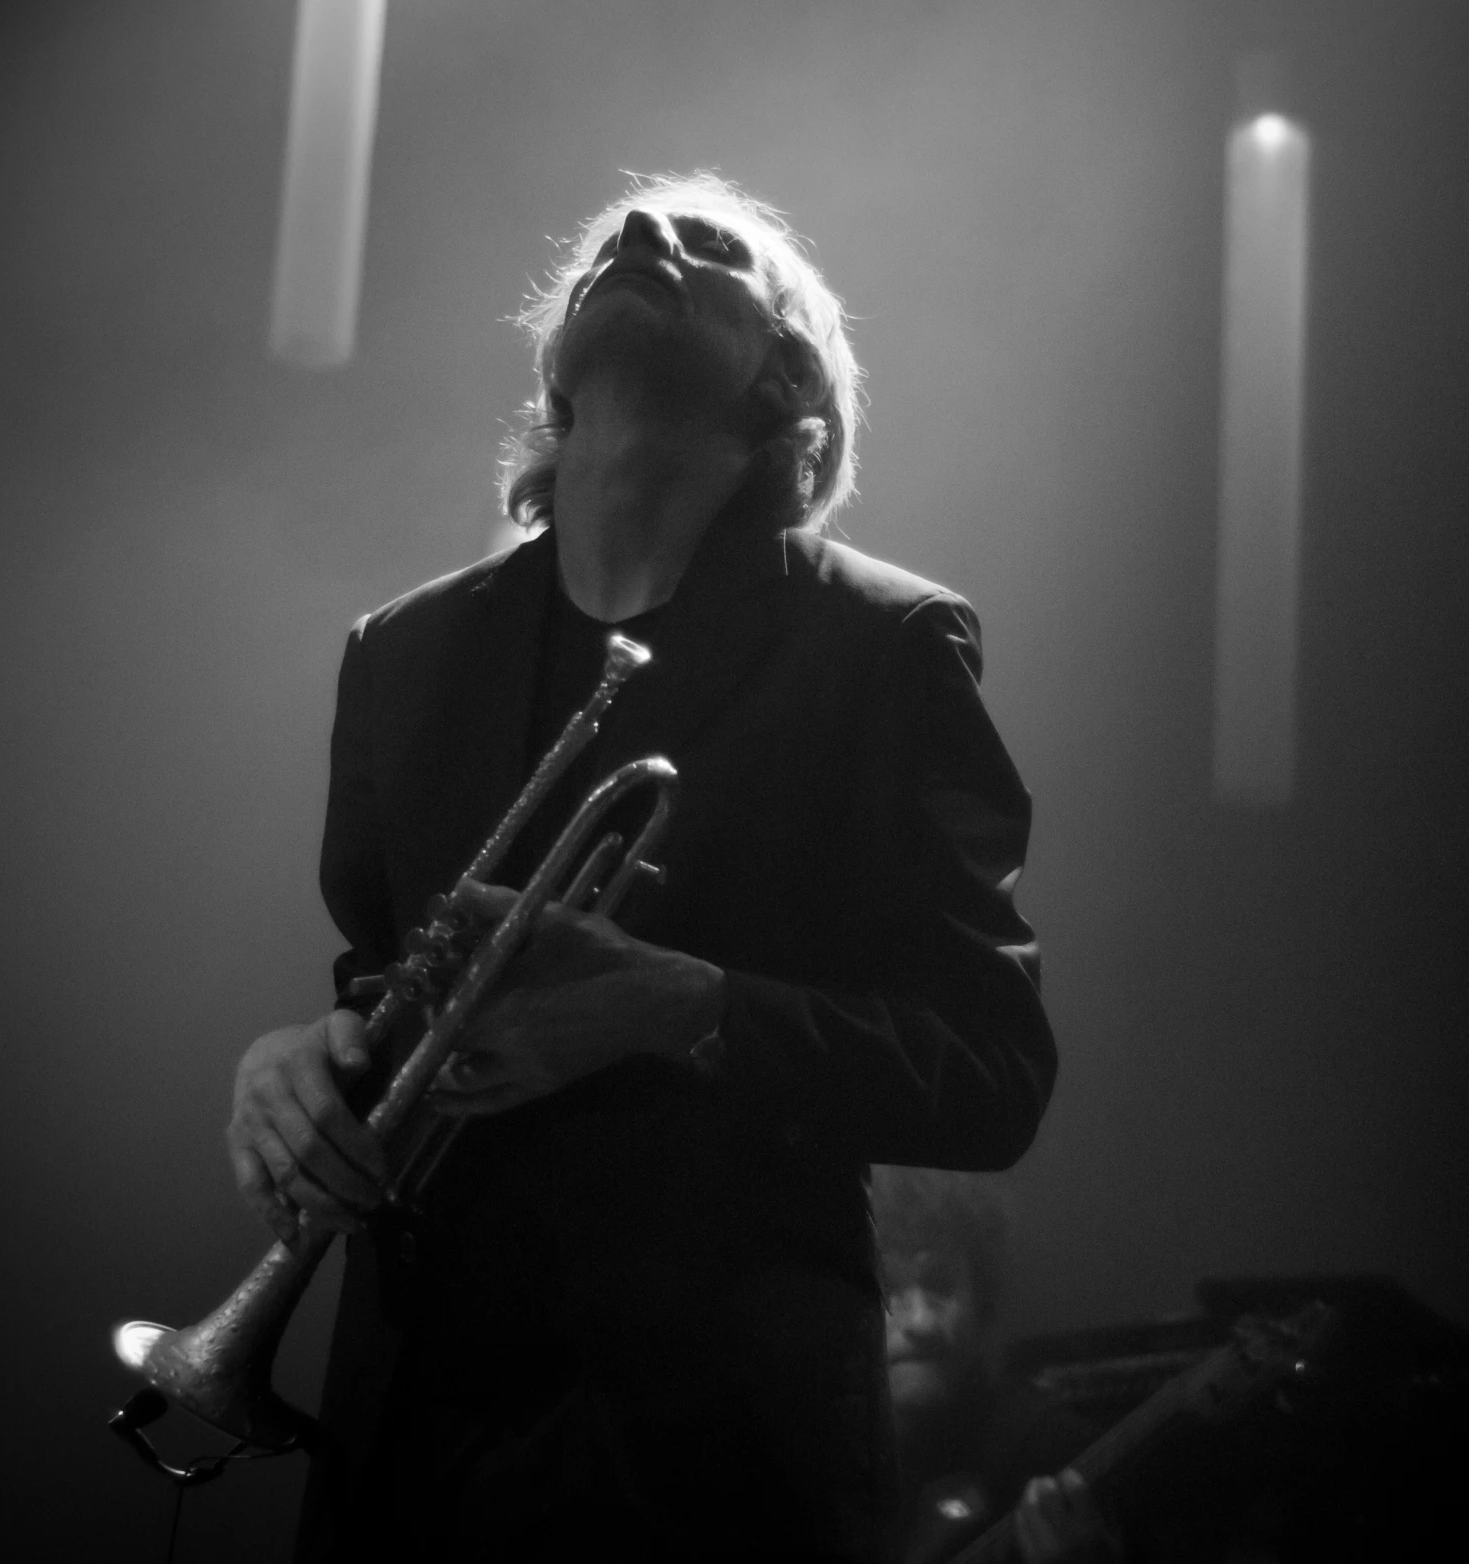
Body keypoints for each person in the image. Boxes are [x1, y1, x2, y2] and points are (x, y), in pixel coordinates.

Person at [224, 172, 1056, 1562]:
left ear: (785, 384)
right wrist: (293, 1065)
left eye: (712, 252)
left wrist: (679, 1004)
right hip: (419, 1437)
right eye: (615, 242)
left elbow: (991, 1072)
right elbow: (384, 989)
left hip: (719, 1462)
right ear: (554, 373)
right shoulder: (402, 654)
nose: (641, 237)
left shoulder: (885, 646)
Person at [877, 1168, 1122, 1564]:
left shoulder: (1052, 1450)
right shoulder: (804, 1471)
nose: (921, 1321)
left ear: (981, 1301)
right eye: (886, 1288)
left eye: (940, 1285)